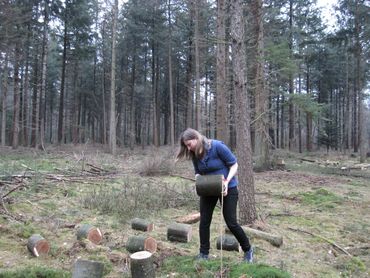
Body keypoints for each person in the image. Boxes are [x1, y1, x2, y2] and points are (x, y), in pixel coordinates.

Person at [176, 128, 254, 263]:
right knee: (204, 221)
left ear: (196, 138)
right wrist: (199, 182)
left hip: (228, 188)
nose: (188, 149)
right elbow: (197, 173)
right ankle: (203, 254)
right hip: (208, 189)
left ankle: (248, 250)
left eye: (189, 144)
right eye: (186, 146)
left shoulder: (217, 146)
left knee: (231, 223)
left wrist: (227, 181)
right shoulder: (194, 154)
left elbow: (234, 165)